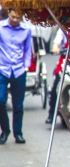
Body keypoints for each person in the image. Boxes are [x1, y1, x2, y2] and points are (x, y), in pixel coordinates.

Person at [0, 9, 32, 144]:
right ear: (9, 15)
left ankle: (18, 133)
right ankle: (5, 129)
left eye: (18, 18)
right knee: (0, 100)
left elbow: (28, 49)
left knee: (18, 105)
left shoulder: (26, 30)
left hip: (19, 70)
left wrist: (26, 65)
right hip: (2, 69)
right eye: (13, 17)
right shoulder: (1, 28)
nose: (14, 20)